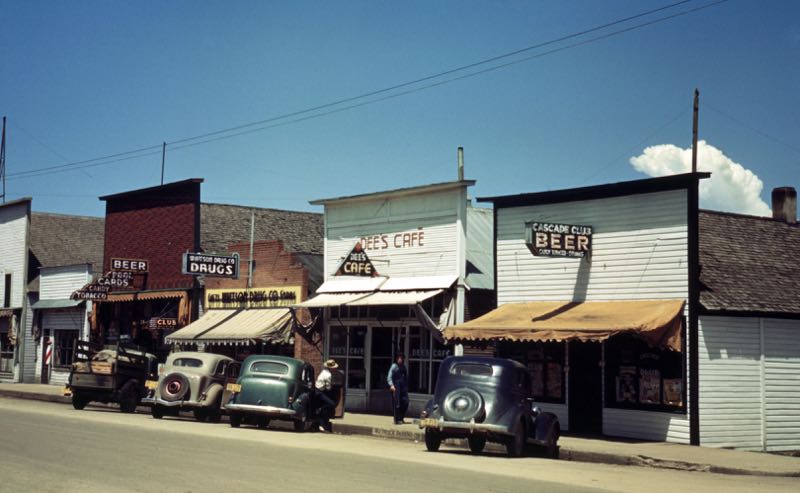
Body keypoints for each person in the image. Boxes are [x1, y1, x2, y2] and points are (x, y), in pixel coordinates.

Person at [315, 359, 339, 432]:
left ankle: (323, 423)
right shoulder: (328, 375)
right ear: (330, 368)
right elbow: (328, 388)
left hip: (317, 390)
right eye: (334, 368)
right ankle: (322, 422)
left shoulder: (324, 372)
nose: (335, 369)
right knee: (331, 404)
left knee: (328, 404)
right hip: (319, 392)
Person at [387, 352, 409, 425]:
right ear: (396, 359)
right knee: (397, 403)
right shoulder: (394, 366)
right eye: (398, 358)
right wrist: (391, 385)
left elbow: (405, 377)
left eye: (401, 358)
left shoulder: (403, 367)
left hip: (403, 386)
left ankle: (401, 417)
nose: (400, 359)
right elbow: (389, 377)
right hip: (396, 386)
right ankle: (396, 419)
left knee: (406, 401)